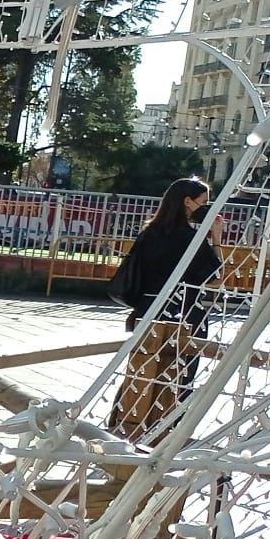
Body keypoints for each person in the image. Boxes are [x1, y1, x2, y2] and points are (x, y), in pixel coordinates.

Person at [109, 176, 223, 442]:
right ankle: (167, 432)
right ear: (187, 202)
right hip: (183, 312)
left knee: (140, 370)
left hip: (149, 308)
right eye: (203, 202)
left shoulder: (150, 233)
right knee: (179, 373)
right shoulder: (189, 238)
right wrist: (216, 238)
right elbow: (215, 277)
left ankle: (126, 424)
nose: (206, 208)